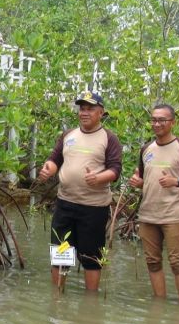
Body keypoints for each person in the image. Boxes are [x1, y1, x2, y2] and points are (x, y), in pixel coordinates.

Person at [38, 92, 121, 291]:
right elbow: (55, 159)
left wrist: (99, 178)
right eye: (82, 108)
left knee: (90, 258)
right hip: (65, 204)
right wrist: (48, 168)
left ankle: (91, 304)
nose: (84, 113)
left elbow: (115, 169)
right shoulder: (68, 135)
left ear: (101, 112)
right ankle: (58, 298)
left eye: (90, 109)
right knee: (60, 254)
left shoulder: (109, 138)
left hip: (93, 208)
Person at [128, 104, 179, 301]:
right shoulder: (146, 149)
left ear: (173, 123)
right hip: (148, 214)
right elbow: (146, 180)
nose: (157, 124)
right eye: (153, 120)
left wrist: (177, 182)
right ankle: (159, 304)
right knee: (152, 262)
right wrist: (138, 183)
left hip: (173, 215)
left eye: (162, 120)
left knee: (177, 263)